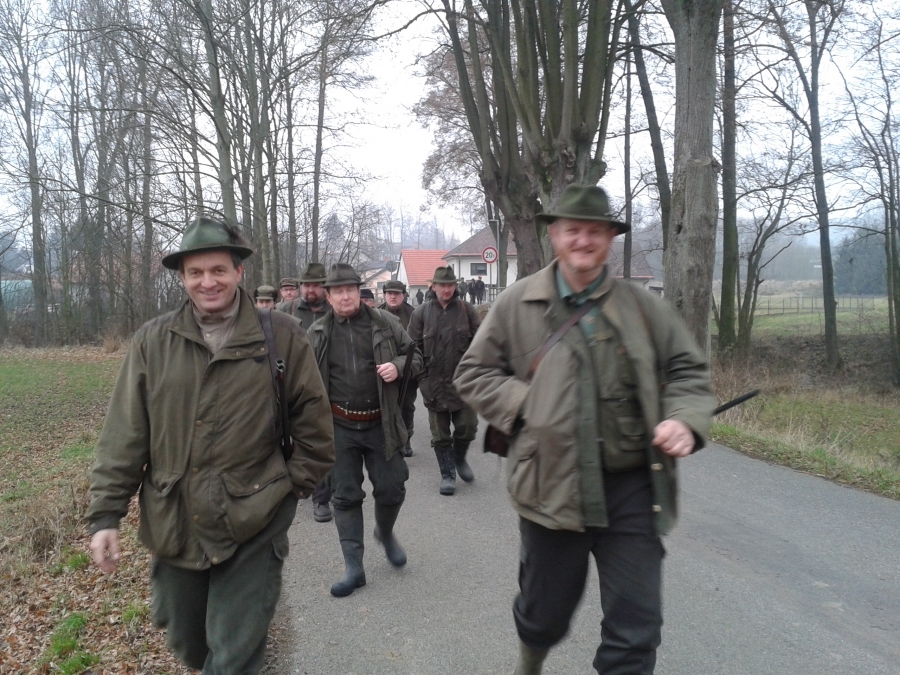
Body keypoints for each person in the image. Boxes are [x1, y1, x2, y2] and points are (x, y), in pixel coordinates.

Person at [453, 184, 715, 675]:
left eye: (595, 231)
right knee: (543, 615)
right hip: (551, 482)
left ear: (610, 239)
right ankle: (529, 664)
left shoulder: (643, 306)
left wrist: (684, 417)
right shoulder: (516, 303)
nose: (583, 240)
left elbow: (687, 371)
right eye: (573, 229)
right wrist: (529, 403)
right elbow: (473, 373)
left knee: (637, 627)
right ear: (554, 234)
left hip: (633, 486)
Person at [85, 217, 334, 675]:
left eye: (218, 270)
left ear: (239, 272)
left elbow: (316, 427)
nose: (208, 282)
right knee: (188, 641)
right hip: (176, 519)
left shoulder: (281, 336)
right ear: (182, 278)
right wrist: (105, 515)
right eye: (195, 273)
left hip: (254, 520)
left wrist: (287, 489)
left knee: (234, 654)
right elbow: (125, 434)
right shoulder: (153, 341)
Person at [306, 264, 422, 598]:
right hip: (338, 426)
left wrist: (398, 367)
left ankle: (384, 532)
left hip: (381, 423)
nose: (345, 297)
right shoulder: (317, 333)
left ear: (359, 292)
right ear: (328, 297)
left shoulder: (385, 323)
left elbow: (416, 358)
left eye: (350, 290)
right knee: (344, 495)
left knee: (392, 488)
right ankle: (353, 567)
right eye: (338, 291)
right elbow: (303, 382)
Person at [408, 266, 480, 496]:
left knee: (467, 428)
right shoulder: (421, 313)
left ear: (455, 286)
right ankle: (447, 474)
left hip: (464, 383)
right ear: (434, 287)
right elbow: (411, 350)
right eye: (442, 285)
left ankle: (459, 458)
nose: (446, 289)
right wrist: (422, 379)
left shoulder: (467, 310)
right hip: (434, 384)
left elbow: (481, 344)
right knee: (440, 435)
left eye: (450, 285)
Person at [276, 262, 334, 523]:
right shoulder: (283, 312)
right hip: (292, 386)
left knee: (322, 441)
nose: (311, 289)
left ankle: (321, 498)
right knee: (297, 442)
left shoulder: (335, 312)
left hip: (328, 386)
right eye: (307, 285)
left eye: (317, 285)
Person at [378, 280, 417, 457]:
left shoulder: (413, 314)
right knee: (385, 406)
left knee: (406, 406)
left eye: (397, 293)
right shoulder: (376, 315)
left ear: (404, 295)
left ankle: (406, 439)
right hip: (383, 369)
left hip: (408, 370)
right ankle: (386, 440)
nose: (392, 297)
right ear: (384, 295)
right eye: (389, 293)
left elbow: (419, 345)